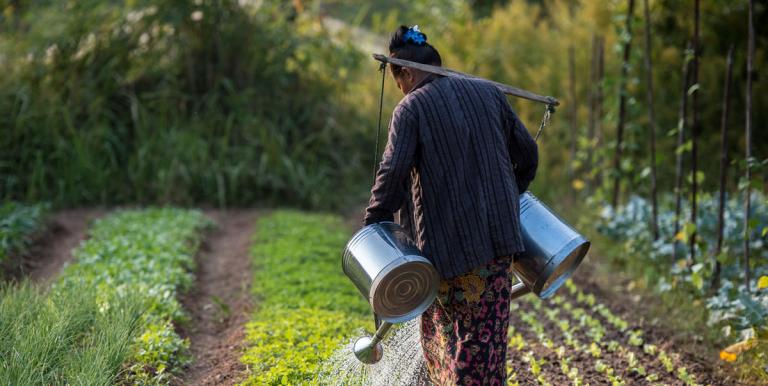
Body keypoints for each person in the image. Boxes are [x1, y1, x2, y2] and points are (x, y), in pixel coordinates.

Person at [364, 25, 539, 385]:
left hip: (443, 254)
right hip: (495, 249)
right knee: (484, 345)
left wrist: (374, 228)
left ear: (407, 73)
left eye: (399, 83)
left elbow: (392, 174)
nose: (401, 90)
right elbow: (528, 154)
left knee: (447, 344)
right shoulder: (489, 93)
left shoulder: (411, 108)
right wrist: (508, 195)